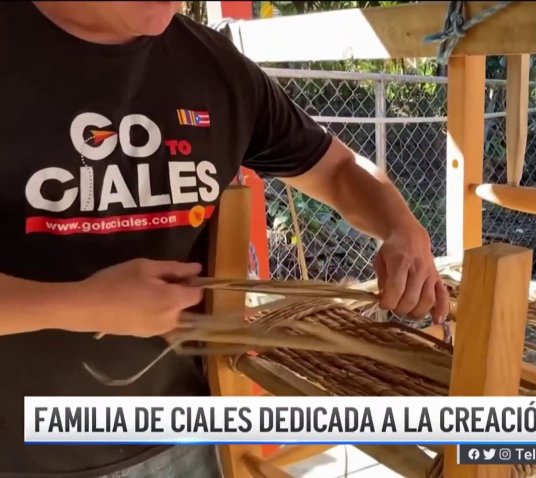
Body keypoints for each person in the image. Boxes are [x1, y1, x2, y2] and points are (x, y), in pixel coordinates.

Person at [0, 2, 450, 477]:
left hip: (183, 437)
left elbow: (338, 168)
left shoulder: (212, 66)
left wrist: (402, 228)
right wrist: (79, 305)